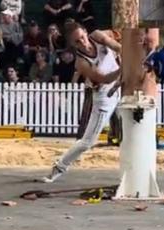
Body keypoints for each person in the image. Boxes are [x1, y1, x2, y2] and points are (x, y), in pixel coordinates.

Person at [38, 23, 121, 182]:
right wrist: (122, 70)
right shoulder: (81, 62)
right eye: (77, 42)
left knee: (134, 128)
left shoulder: (97, 35)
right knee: (87, 142)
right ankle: (59, 167)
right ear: (72, 44)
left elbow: (117, 46)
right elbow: (103, 78)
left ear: (86, 32)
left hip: (119, 89)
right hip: (104, 97)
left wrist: (126, 58)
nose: (83, 43)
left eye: (82, 37)